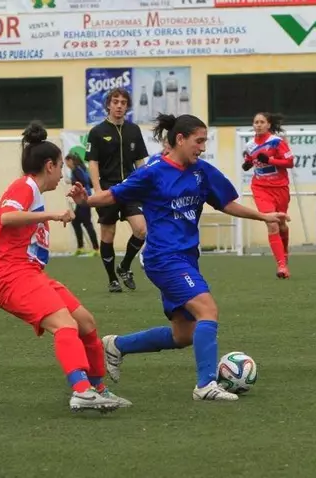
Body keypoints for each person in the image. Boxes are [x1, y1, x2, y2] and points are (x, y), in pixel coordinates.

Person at [68, 114, 288, 401]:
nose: (202, 147)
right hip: (163, 258)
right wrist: (86, 200)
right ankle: (205, 385)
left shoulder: (202, 172)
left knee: (183, 335)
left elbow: (226, 203)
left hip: (186, 258)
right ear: (180, 139)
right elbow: (114, 195)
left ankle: (117, 345)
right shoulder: (153, 172)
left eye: (205, 141)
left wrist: (263, 216)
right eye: (199, 141)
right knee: (207, 310)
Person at [0, 122, 129, 413]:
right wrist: (50, 215)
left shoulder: (34, 192)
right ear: (49, 166)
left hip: (29, 273)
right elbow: (6, 217)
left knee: (85, 322)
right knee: (66, 325)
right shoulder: (24, 186)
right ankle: (81, 391)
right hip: (10, 276)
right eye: (60, 166)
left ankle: (97, 388)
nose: (62, 173)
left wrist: (77, 203)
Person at [86, 87, 149, 293]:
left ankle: (124, 266)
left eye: (123, 102)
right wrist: (97, 190)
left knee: (141, 229)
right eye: (115, 102)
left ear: (127, 106)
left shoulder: (134, 130)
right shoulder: (97, 132)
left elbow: (140, 162)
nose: (119, 106)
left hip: (130, 188)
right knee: (108, 234)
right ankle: (112, 278)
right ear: (108, 105)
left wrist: (145, 186)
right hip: (107, 189)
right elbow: (93, 162)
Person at [241, 112, 294, 278]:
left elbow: (290, 162)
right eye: (256, 122)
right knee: (271, 223)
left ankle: (284, 254)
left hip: (280, 188)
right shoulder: (250, 145)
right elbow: (251, 160)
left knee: (281, 224)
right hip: (260, 188)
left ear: (268, 125)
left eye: (262, 122)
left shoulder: (276, 142)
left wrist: (270, 160)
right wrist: (248, 163)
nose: (258, 125)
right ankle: (281, 265)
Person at [63, 153, 99, 256]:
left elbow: (84, 182)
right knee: (75, 221)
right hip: (82, 200)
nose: (66, 164)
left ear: (70, 161)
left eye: (66, 162)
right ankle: (80, 247)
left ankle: (96, 249)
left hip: (84, 200)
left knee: (87, 223)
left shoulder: (77, 170)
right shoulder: (80, 169)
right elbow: (89, 182)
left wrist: (73, 183)